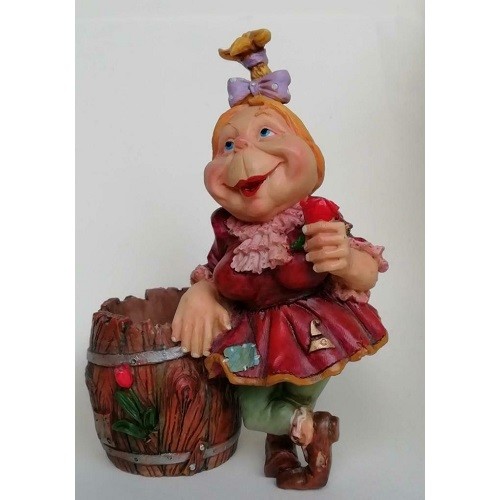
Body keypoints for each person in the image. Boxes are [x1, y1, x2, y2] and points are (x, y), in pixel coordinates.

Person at [171, 29, 388, 490]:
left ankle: (294, 439)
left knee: (290, 394)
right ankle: (305, 432)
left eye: (266, 133)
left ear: (309, 153)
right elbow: (212, 271)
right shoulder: (229, 231)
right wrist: (202, 291)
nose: (243, 154)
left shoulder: (314, 218)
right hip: (252, 334)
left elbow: (365, 269)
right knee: (254, 409)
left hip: (314, 331)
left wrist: (345, 259)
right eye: (227, 146)